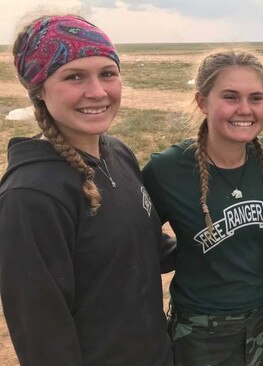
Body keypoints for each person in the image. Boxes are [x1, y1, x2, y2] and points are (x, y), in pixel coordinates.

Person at [0, 14, 172, 365]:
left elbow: (144, 249)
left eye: (107, 73)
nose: (97, 91)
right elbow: (42, 337)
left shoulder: (117, 153)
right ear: (39, 89)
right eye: (74, 76)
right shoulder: (31, 196)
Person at [141, 51, 263, 365]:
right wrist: (176, 253)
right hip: (202, 334)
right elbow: (136, 241)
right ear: (202, 102)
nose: (245, 109)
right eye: (230, 97)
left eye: (256, 98)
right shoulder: (168, 169)